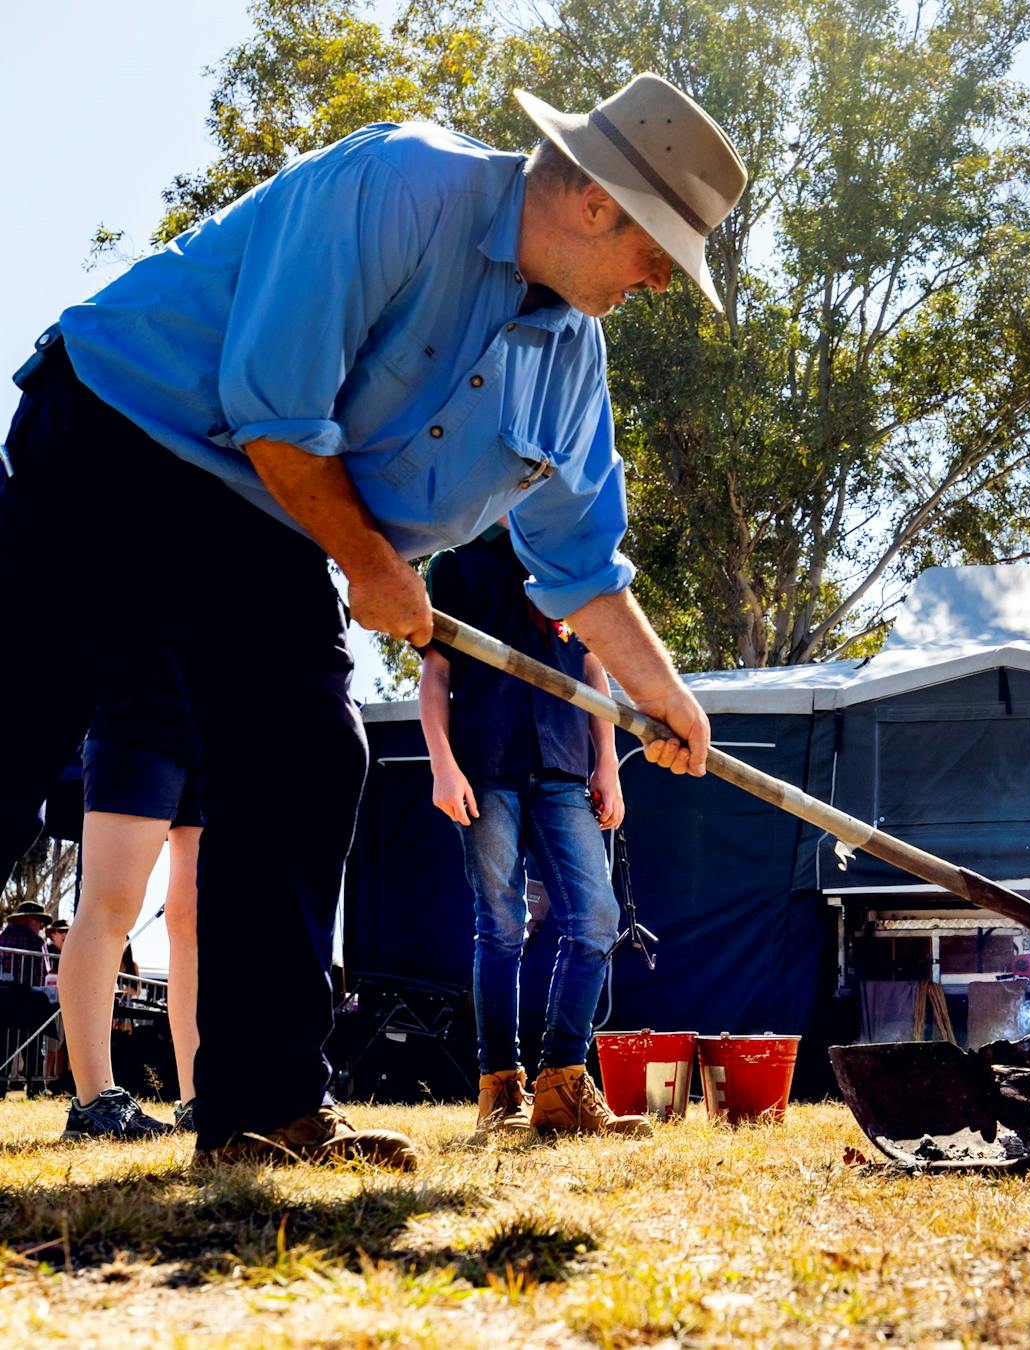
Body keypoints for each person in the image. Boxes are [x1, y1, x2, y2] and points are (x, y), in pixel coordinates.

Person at [0, 75, 740, 1169]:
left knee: (304, 750)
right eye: (659, 253)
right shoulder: (400, 185)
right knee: (22, 720)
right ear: (596, 201)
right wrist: (371, 562)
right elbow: (275, 409)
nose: (659, 282)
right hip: (120, 424)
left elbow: (581, 564)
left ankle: (260, 1110)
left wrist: (660, 693)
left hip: (257, 503)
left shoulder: (572, 360)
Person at [421, 521, 650, 1141]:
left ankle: (563, 1086)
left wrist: (608, 763)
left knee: (597, 919)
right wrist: (442, 764)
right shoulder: (453, 565)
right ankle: (500, 1089)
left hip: (563, 770)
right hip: (484, 767)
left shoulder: (569, 554)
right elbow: (437, 675)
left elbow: (594, 670)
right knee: (500, 925)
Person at [58, 670, 203, 1141]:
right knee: (111, 904)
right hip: (139, 707)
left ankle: (198, 1097)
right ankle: (94, 1103)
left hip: (213, 720)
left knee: (194, 920)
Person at [0, 902, 52, 987]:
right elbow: (43, 975)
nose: (41, 927)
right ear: (29, 920)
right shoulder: (36, 941)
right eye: (40, 922)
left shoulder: (2, 937)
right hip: (28, 995)